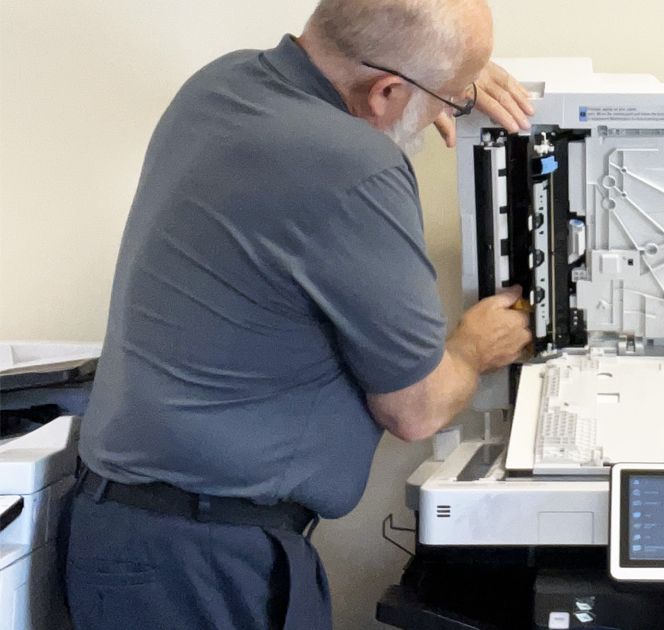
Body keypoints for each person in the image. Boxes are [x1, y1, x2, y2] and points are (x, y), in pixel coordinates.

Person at [61, 1, 532, 628]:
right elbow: (414, 409)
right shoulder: (356, 167)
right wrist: (474, 347)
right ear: (386, 89)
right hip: (203, 559)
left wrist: (437, 78)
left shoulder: (219, 83)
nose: (450, 114)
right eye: (451, 100)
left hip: (135, 533)